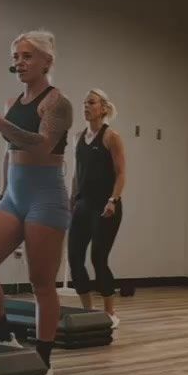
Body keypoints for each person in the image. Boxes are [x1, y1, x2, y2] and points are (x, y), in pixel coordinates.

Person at [0, 30, 72, 375]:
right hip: (14, 196)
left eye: (27, 56)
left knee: (41, 282)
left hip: (46, 197)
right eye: (16, 56)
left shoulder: (57, 102)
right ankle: (2, 334)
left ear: (47, 61)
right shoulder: (15, 100)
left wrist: (0, 123)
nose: (19, 63)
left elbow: (43, 146)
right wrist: (2, 191)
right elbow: (11, 149)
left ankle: (44, 360)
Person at [68, 89, 126, 329]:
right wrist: (72, 200)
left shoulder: (111, 137)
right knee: (75, 259)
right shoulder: (78, 137)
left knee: (98, 258)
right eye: (84, 103)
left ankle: (111, 313)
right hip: (83, 205)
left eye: (91, 102)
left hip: (105, 206)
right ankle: (87, 311)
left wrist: (113, 200)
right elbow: (76, 173)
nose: (86, 106)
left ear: (103, 108)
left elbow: (121, 173)